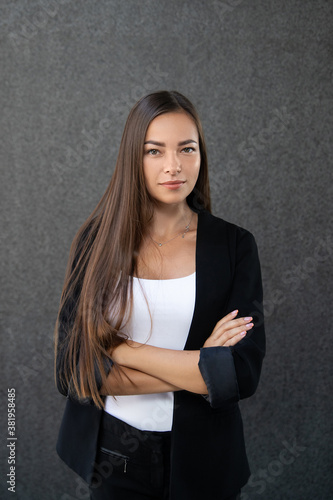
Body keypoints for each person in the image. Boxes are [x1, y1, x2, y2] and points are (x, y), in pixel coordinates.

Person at [55, 90, 265, 500]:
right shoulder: (95, 242)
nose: (174, 166)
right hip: (113, 455)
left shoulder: (234, 245)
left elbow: (239, 374)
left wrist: (119, 349)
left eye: (187, 149)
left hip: (204, 459)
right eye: (155, 151)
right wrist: (200, 367)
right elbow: (72, 370)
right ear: (134, 158)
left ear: (200, 154)